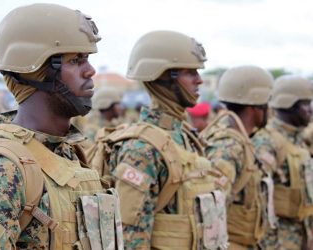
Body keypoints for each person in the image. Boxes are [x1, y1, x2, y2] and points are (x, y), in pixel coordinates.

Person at [0, 3, 123, 249]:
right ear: (36, 69)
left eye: (87, 59)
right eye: (76, 60)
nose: (90, 71)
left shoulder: (67, 153)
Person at [90, 30, 229, 249]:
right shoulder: (141, 148)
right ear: (165, 76)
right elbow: (131, 238)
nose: (199, 80)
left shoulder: (185, 136)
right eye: (190, 72)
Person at [201, 65, 275, 249]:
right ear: (255, 107)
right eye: (267, 103)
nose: (270, 109)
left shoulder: (241, 141)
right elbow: (211, 211)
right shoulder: (229, 147)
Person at [252, 75, 313, 249]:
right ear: (289, 105)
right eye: (306, 104)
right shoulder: (267, 142)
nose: (310, 109)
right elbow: (258, 197)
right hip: (278, 240)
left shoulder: (298, 139)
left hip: (301, 235)